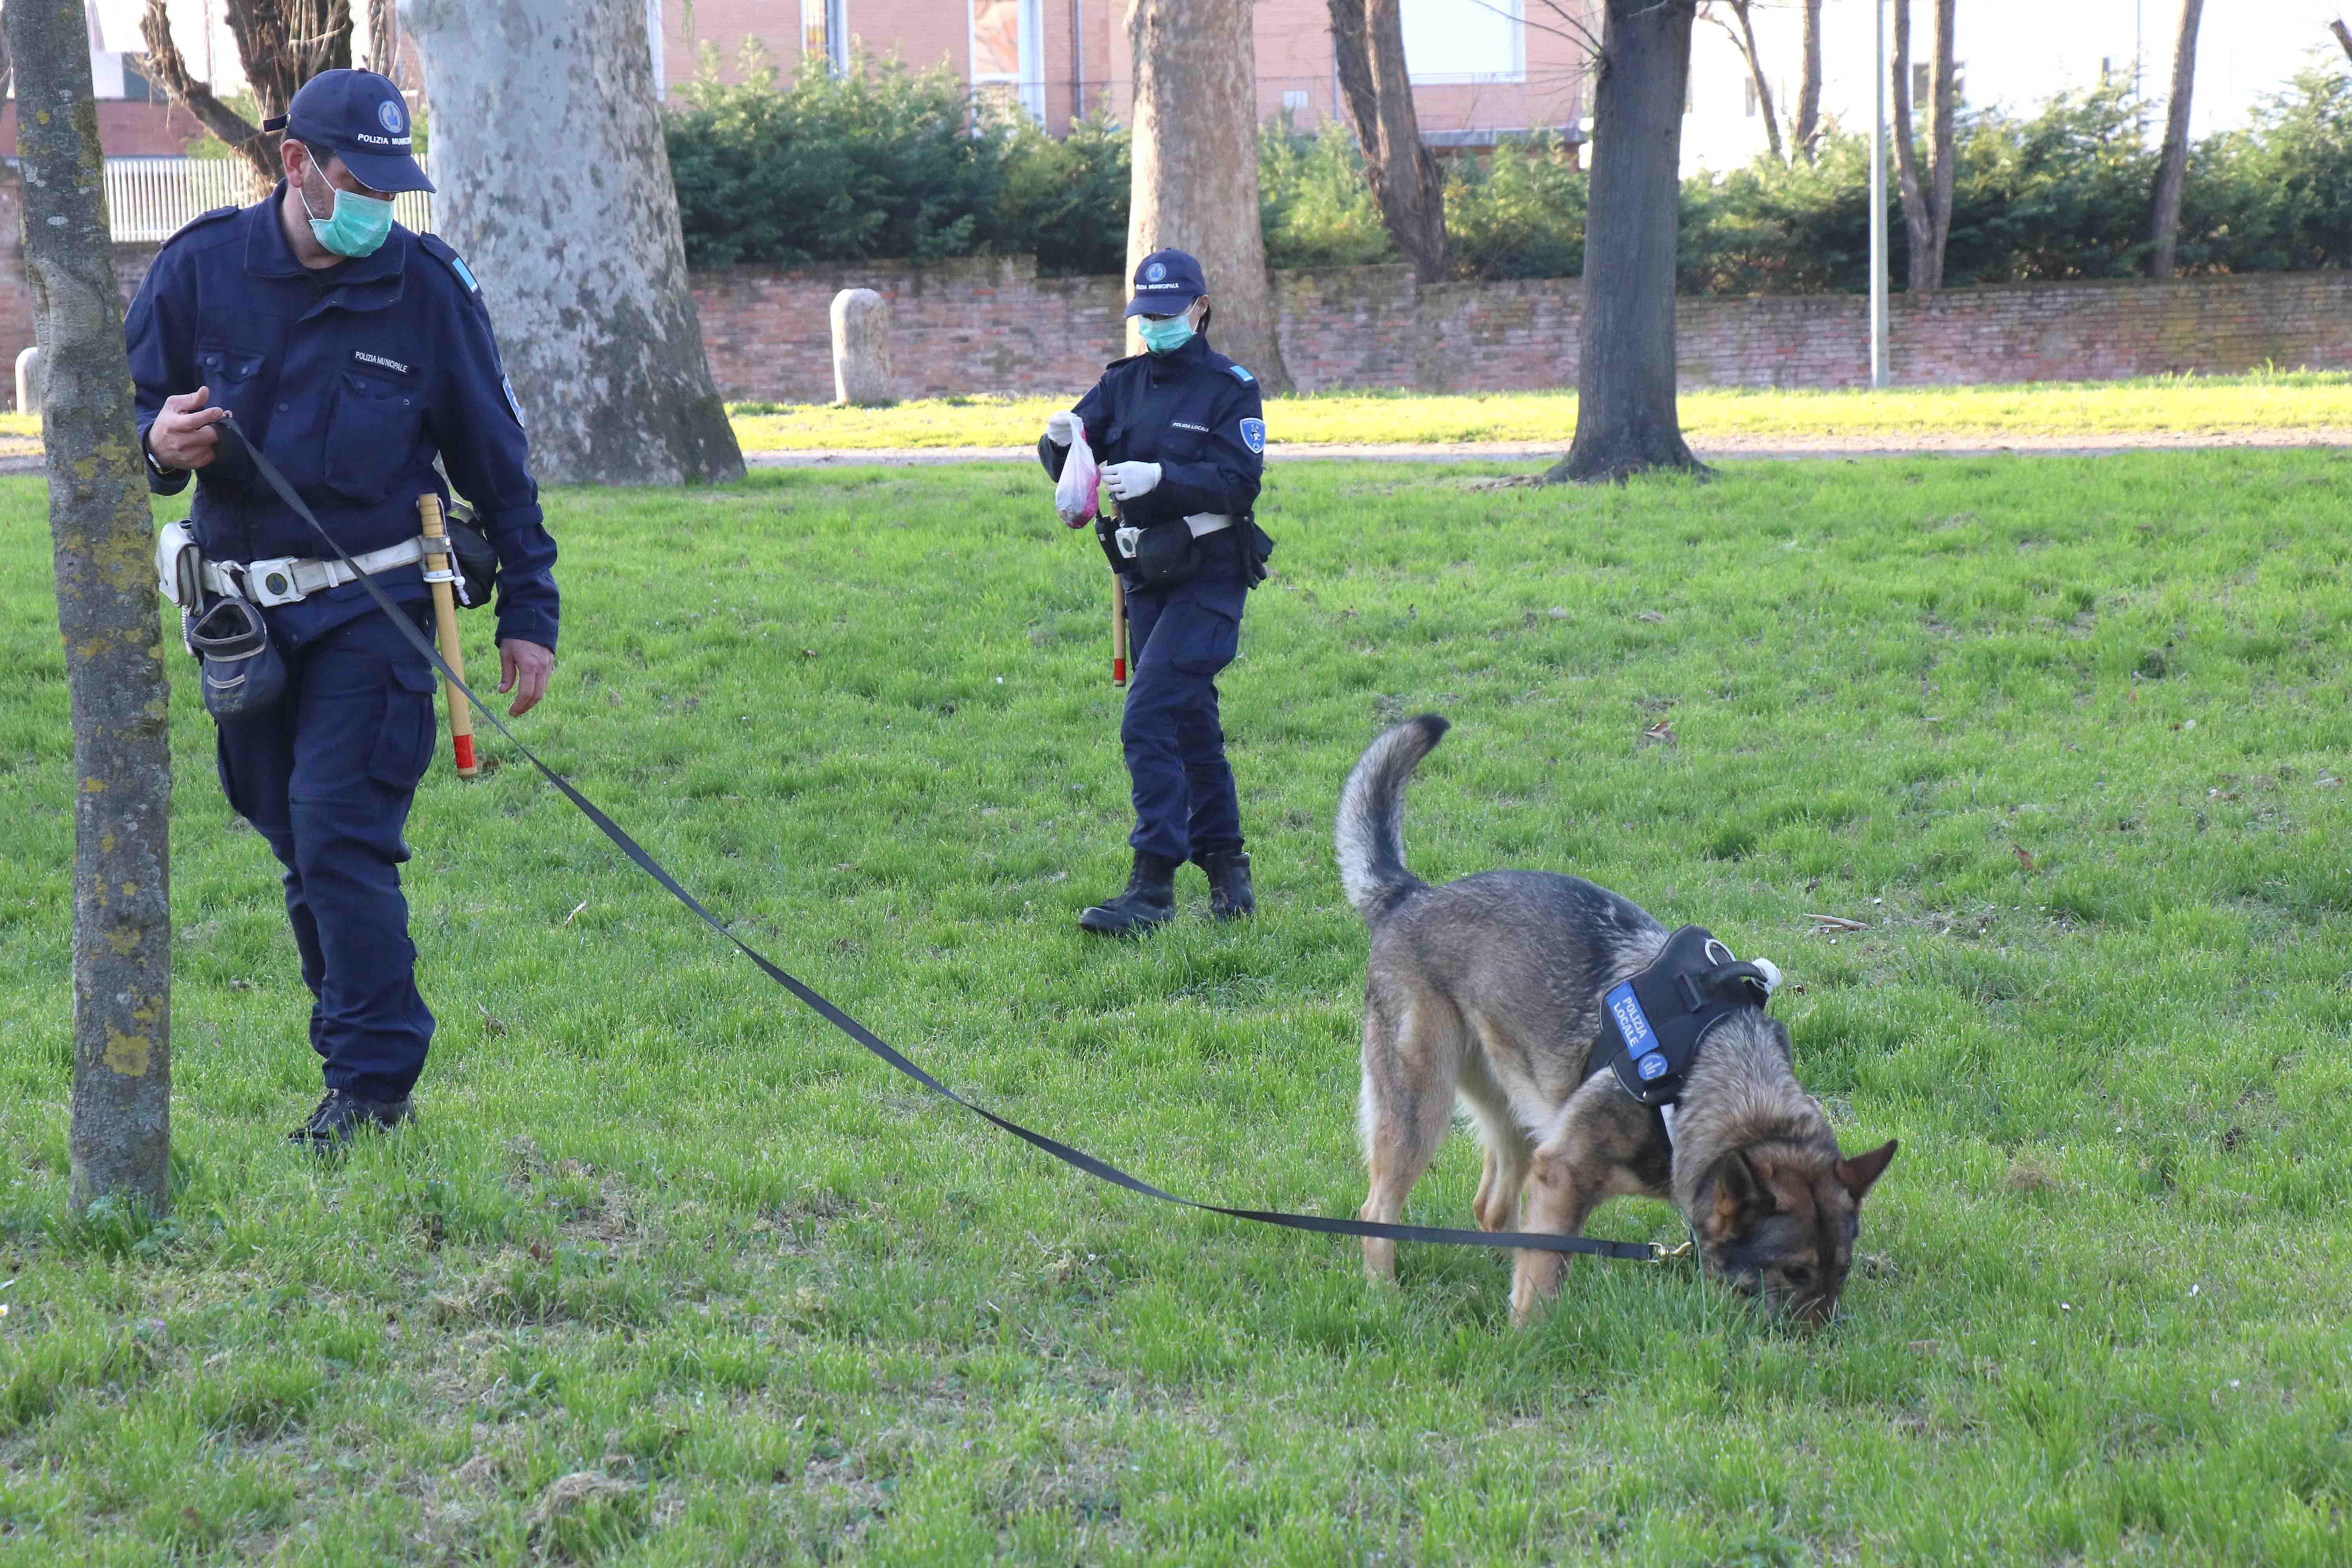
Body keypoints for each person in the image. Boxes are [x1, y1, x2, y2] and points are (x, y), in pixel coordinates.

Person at [126, 69, 558, 1148]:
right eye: (359, 182)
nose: (382, 208)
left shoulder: (427, 286)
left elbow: (497, 462)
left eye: (395, 188)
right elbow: (117, 416)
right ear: (296, 165)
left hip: (381, 610)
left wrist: (531, 610)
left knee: (339, 838)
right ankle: (353, 1046)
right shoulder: (198, 272)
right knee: (293, 841)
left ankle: (371, 1086)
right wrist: (154, 443)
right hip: (242, 621)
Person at [1039, 248, 1271, 936]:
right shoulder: (1124, 382)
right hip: (1145, 577)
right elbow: (1076, 451)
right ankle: (1228, 869)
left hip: (1211, 575)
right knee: (1189, 721)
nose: (1155, 327)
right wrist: (1059, 444)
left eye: (1168, 315)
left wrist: (1159, 478)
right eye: (1146, 316)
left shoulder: (1232, 387)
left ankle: (1153, 886)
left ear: (1199, 309)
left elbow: (1239, 482)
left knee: (1148, 716)